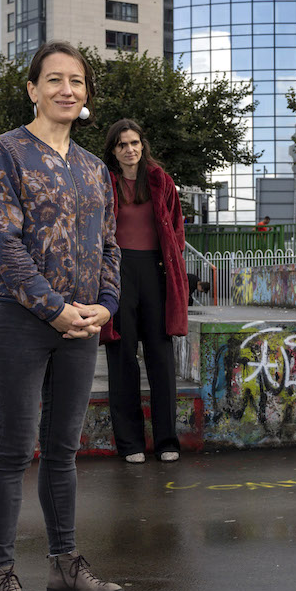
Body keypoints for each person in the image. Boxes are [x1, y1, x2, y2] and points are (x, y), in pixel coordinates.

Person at [0, 40, 124, 591]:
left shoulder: (93, 167)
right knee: (14, 449)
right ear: (33, 88)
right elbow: (4, 243)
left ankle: (64, 566)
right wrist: (53, 307)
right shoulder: (7, 153)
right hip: (23, 319)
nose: (68, 89)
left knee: (64, 450)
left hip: (82, 323)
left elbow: (110, 244)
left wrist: (105, 306)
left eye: (78, 81)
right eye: (56, 79)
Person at [100, 118, 190, 464]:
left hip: (156, 272)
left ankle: (167, 440)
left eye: (135, 143)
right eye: (122, 144)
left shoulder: (161, 181)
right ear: (113, 150)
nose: (130, 149)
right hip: (117, 273)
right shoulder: (103, 182)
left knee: (161, 356)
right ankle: (130, 443)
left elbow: (176, 227)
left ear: (142, 145)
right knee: (122, 358)